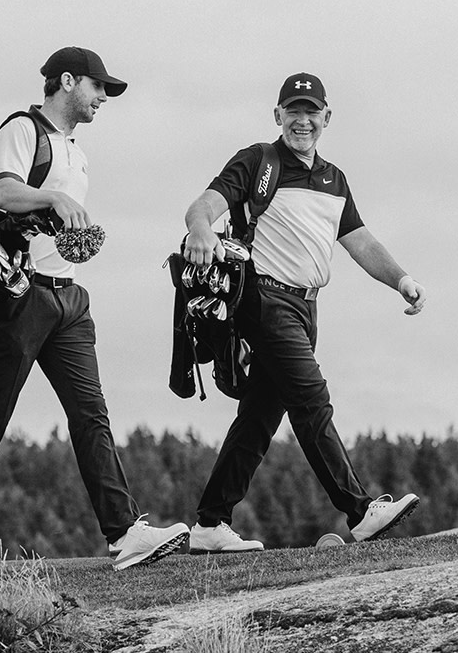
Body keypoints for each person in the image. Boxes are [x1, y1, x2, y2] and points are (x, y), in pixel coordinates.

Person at [0, 47, 189, 580]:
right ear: (67, 82)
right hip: (19, 298)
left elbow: (50, 225)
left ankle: (125, 531)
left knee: (91, 415)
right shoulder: (23, 129)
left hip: (68, 299)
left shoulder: (77, 153)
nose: (102, 98)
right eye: (97, 88)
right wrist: (53, 201)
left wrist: (73, 238)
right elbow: (3, 191)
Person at [180, 72, 427, 554]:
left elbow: (360, 241)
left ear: (326, 118)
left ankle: (211, 523)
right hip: (264, 300)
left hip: (306, 308)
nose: (302, 120)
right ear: (278, 116)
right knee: (312, 399)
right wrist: (200, 229)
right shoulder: (258, 161)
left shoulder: (335, 180)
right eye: (293, 111)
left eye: (311, 111)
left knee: (258, 419)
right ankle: (360, 511)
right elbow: (204, 205)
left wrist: (401, 279)